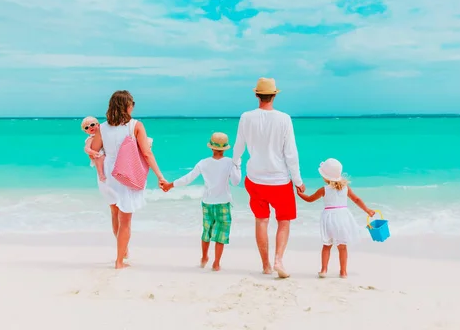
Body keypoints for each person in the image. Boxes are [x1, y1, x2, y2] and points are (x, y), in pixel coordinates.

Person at [232, 77, 305, 278]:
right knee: (284, 221)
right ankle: (278, 260)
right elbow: (291, 153)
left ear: (257, 95)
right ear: (274, 95)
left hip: (255, 179)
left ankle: (265, 265)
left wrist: (235, 164)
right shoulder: (284, 119)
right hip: (279, 180)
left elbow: (239, 146)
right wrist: (298, 181)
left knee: (261, 220)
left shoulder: (246, 117)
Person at [91, 90, 165, 269]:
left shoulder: (102, 127)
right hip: (126, 172)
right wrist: (160, 176)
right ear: (127, 106)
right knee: (126, 220)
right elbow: (147, 153)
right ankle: (119, 261)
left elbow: (94, 152)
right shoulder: (136, 125)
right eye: (132, 104)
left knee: (115, 213)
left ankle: (122, 252)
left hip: (109, 173)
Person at [160, 132, 241, 271]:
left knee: (206, 232)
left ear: (211, 147)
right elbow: (235, 181)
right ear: (225, 148)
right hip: (223, 203)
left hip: (207, 203)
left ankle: (204, 257)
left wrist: (170, 185)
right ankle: (216, 263)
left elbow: (188, 178)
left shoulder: (203, 163)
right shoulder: (229, 163)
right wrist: (237, 165)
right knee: (221, 233)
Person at [297, 158, 375, 279]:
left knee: (327, 245)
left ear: (325, 177)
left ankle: (323, 270)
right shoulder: (346, 188)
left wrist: (300, 194)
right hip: (343, 217)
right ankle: (343, 272)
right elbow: (357, 200)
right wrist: (367, 210)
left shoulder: (324, 190)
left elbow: (310, 199)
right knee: (342, 247)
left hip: (329, 218)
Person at [81, 116, 106, 182]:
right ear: (86, 131)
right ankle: (101, 174)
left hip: (106, 154)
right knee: (99, 157)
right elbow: (86, 149)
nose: (90, 127)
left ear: (98, 125)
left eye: (92, 124)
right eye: (86, 127)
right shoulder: (91, 138)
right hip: (97, 155)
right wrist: (93, 152)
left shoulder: (103, 134)